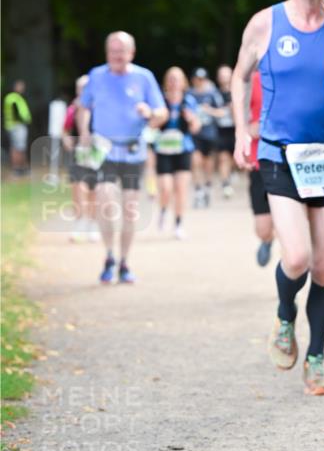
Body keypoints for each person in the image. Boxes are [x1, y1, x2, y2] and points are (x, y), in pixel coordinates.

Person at [232, 0, 324, 396]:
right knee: (296, 257)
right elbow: (240, 77)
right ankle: (285, 317)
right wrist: (242, 128)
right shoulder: (264, 23)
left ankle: (316, 357)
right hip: (278, 154)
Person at [78, 31, 167, 284]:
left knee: (129, 209)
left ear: (132, 52)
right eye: (112, 50)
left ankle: (125, 261)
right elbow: (85, 106)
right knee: (106, 201)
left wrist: (150, 112)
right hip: (104, 149)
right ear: (107, 52)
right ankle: (108, 255)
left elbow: (162, 112)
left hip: (132, 150)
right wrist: (84, 130)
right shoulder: (96, 76)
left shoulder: (144, 77)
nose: (117, 55)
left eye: (121, 50)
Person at [155, 67, 201, 240]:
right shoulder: (160, 101)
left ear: (183, 82)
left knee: (181, 190)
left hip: (183, 149)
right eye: (171, 78)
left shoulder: (189, 101)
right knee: (166, 188)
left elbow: (197, 127)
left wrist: (191, 119)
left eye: (178, 79)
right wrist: (160, 118)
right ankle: (163, 210)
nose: (174, 82)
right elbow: (151, 125)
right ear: (167, 82)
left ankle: (178, 224)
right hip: (164, 150)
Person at [61, 75, 98, 241]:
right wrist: (66, 139)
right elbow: (65, 130)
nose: (82, 91)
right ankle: (79, 222)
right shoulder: (72, 109)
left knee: (94, 189)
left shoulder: (98, 107)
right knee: (78, 186)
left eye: (85, 88)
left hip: (96, 152)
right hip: (78, 152)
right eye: (80, 88)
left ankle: (92, 223)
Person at [247, 70, 275, 267]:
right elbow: (239, 120)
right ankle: (267, 238)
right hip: (259, 160)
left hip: (291, 161)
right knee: (263, 228)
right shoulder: (252, 80)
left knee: (291, 226)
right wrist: (248, 129)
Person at [190, 68, 221, 208]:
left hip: (209, 133)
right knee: (195, 161)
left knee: (207, 163)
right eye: (197, 79)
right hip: (194, 134)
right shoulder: (189, 95)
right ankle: (198, 189)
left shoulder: (212, 94)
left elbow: (221, 112)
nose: (199, 82)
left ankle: (207, 185)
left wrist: (209, 110)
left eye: (202, 79)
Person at [214, 64, 236, 198]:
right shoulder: (215, 94)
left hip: (235, 129)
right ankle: (225, 184)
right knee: (223, 158)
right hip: (221, 130)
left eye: (226, 74)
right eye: (222, 75)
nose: (224, 77)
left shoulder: (238, 91)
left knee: (235, 159)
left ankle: (232, 172)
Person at [3, 79, 31, 177]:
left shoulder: (16, 97)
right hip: (16, 125)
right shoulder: (14, 98)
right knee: (18, 147)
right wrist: (25, 120)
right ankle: (18, 168)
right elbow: (16, 112)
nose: (22, 88)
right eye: (20, 86)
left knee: (18, 147)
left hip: (14, 125)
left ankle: (21, 168)